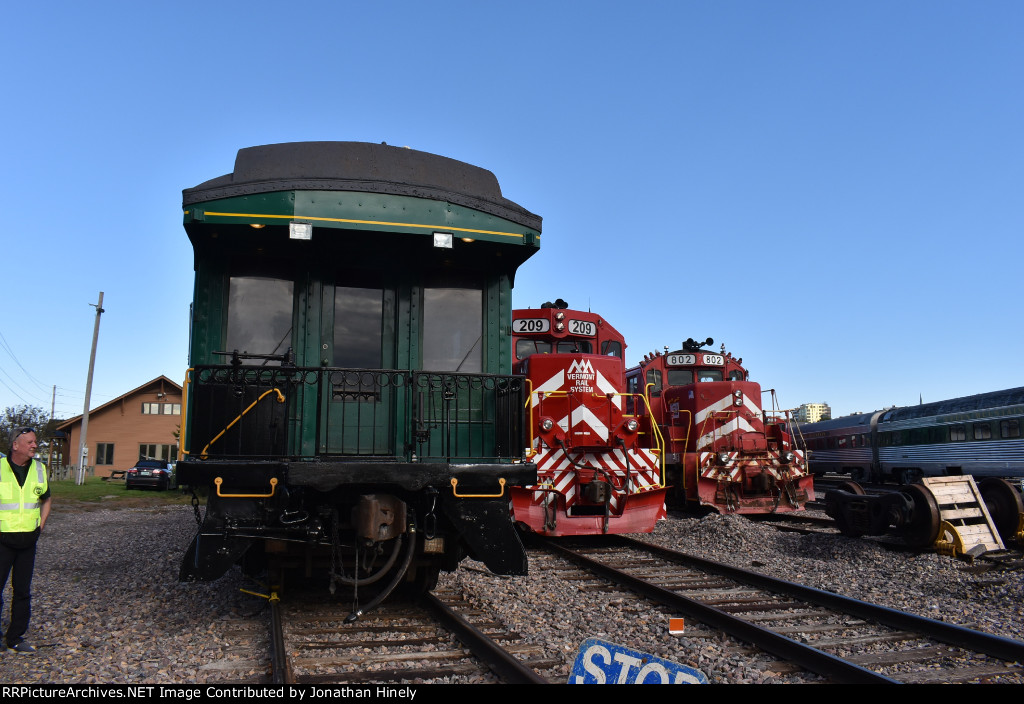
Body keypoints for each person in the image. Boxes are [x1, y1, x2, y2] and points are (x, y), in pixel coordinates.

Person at [0, 426, 51, 654]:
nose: (34, 445)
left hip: (28, 542)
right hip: (2, 540)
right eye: (30, 442)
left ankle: (15, 638)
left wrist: (40, 526)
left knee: (22, 590)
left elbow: (46, 500)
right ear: (15, 445)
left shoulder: (40, 469)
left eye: (35, 442)